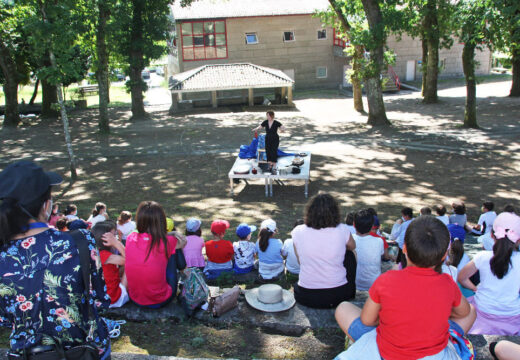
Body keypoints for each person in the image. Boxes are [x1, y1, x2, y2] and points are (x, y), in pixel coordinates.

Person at [0, 161, 111, 359]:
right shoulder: (81, 241)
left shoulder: (4, 252)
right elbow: (100, 299)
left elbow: (5, 318)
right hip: (82, 350)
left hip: (27, 354)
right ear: (45, 205)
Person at [334, 216, 476, 360]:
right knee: (472, 311)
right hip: (433, 354)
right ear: (444, 255)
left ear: (405, 248)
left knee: (343, 308)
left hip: (386, 351)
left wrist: (392, 317)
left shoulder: (387, 280)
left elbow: (367, 320)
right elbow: (464, 312)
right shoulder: (447, 284)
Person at [457, 212, 520, 335]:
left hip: (482, 310)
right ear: (518, 240)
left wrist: (475, 289)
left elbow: (462, 278)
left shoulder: (482, 257)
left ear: (492, 235)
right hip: (513, 315)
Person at [292, 193, 357, 308]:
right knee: (350, 254)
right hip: (338, 294)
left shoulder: (298, 231)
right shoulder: (342, 230)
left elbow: (300, 261)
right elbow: (352, 246)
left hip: (306, 295)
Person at [125, 201, 187, 308]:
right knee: (173, 252)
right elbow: (183, 243)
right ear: (161, 221)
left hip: (135, 298)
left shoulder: (131, 238)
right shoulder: (167, 241)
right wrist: (174, 233)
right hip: (160, 300)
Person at [91, 221, 129, 308]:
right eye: (113, 236)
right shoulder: (105, 255)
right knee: (129, 267)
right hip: (113, 299)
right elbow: (131, 261)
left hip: (101, 295)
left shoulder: (94, 252)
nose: (115, 238)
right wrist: (117, 244)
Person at [352, 210, 385, 291]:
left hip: (354, 282)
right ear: (371, 226)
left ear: (354, 225)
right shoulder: (379, 241)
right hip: (374, 283)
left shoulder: (349, 239)